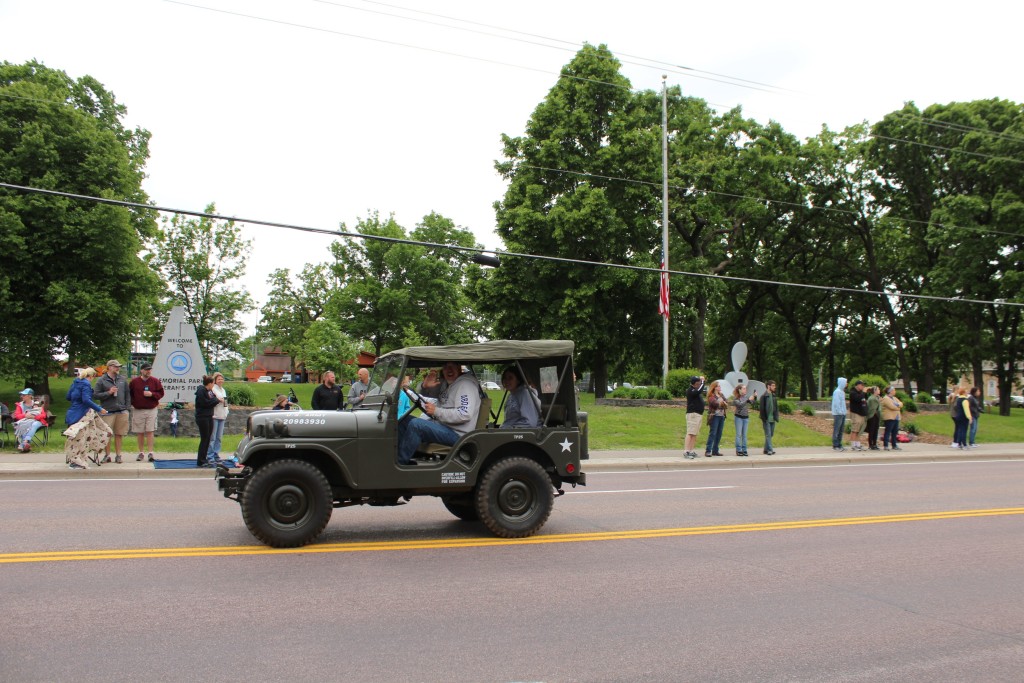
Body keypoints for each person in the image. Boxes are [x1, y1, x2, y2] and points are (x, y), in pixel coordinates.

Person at [397, 361, 481, 466]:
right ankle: (395, 458)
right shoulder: (448, 384)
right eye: (445, 366)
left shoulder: (465, 385)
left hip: (459, 434)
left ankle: (399, 464)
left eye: (452, 366)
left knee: (417, 424)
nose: (449, 370)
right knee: (403, 420)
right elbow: (437, 402)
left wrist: (437, 411)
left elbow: (465, 413)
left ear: (459, 367)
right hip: (444, 427)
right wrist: (423, 387)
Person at [63, 367, 110, 469]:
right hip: (82, 414)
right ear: (91, 376)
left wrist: (76, 399)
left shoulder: (75, 382)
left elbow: (68, 397)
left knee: (76, 438)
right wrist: (99, 409)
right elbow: (86, 400)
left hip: (73, 413)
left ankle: (76, 459)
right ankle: (77, 461)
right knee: (83, 438)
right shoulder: (86, 384)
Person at [93, 359, 130, 463]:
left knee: (119, 434)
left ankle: (118, 455)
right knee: (107, 434)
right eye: (115, 366)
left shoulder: (122, 379)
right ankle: (107, 455)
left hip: (121, 411)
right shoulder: (101, 380)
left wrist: (127, 408)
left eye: (118, 366)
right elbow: (95, 395)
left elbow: (127, 394)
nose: (117, 368)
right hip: (108, 411)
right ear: (109, 367)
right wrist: (109, 392)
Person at [128, 361, 164, 462]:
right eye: (147, 370)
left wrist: (152, 394)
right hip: (138, 409)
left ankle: (151, 452)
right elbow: (129, 394)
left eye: (150, 370)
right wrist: (132, 403)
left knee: (150, 431)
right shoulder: (134, 382)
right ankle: (141, 452)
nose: (148, 371)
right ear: (142, 371)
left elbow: (161, 393)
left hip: (151, 409)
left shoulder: (155, 381)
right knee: (140, 432)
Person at [194, 375, 221, 467]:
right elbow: (206, 403)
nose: (213, 385)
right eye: (213, 383)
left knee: (208, 438)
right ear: (209, 383)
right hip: (202, 417)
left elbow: (213, 398)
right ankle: (200, 460)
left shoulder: (209, 391)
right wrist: (216, 401)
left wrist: (215, 400)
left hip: (209, 416)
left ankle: (204, 458)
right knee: (204, 438)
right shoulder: (201, 391)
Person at [207, 372, 229, 464]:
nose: (221, 381)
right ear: (215, 380)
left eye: (222, 379)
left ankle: (216, 454)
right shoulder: (213, 390)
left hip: (222, 416)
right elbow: (212, 400)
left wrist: (227, 411)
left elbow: (226, 402)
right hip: (215, 415)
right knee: (212, 437)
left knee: (219, 437)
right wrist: (219, 400)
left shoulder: (223, 390)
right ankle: (210, 456)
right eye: (219, 379)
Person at [732, 384, 757, 457]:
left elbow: (753, 403)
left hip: (746, 417)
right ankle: (739, 449)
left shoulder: (746, 397)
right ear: (739, 390)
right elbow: (740, 405)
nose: (745, 390)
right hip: (738, 417)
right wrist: (748, 400)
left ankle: (744, 449)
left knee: (744, 435)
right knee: (738, 435)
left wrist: (755, 397)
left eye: (745, 389)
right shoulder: (736, 398)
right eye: (743, 388)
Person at [703, 380, 727, 457]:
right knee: (713, 433)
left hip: (721, 416)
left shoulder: (722, 395)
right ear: (715, 387)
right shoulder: (711, 396)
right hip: (714, 416)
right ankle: (708, 450)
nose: (720, 387)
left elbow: (726, 403)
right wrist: (722, 403)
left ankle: (715, 450)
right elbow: (714, 403)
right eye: (718, 386)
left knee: (719, 434)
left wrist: (723, 403)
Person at [759, 380, 779, 455]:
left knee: (771, 434)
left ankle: (765, 449)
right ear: (768, 386)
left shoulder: (773, 396)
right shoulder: (763, 396)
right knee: (768, 434)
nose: (774, 387)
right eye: (773, 385)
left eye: (774, 385)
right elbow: (761, 409)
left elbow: (776, 407)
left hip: (773, 418)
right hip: (766, 419)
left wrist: (776, 416)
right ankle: (770, 450)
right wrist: (764, 418)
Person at [880, 386, 903, 451]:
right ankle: (886, 445)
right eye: (894, 390)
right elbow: (892, 407)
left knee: (895, 432)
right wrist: (898, 406)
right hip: (889, 418)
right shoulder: (886, 398)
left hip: (896, 417)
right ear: (890, 391)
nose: (895, 391)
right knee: (888, 431)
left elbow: (901, 403)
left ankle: (894, 445)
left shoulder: (894, 398)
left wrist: (898, 405)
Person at [848, 379, 867, 451]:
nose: (863, 386)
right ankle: (853, 445)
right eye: (862, 385)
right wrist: (863, 393)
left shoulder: (861, 393)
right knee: (855, 429)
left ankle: (858, 444)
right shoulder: (853, 392)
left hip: (861, 413)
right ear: (858, 385)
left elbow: (864, 400)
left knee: (859, 430)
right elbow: (857, 399)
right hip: (856, 413)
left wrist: (865, 393)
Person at [831, 377, 848, 452]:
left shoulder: (842, 392)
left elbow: (843, 403)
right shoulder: (837, 392)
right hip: (838, 414)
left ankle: (839, 443)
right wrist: (840, 411)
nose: (846, 384)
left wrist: (844, 411)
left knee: (841, 430)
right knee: (837, 429)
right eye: (845, 382)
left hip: (843, 413)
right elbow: (836, 403)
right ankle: (835, 444)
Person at [865, 386, 881, 451]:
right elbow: (873, 408)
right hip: (872, 416)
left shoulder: (877, 398)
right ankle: (871, 444)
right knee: (872, 431)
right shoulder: (872, 398)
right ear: (875, 391)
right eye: (878, 389)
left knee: (875, 430)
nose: (879, 390)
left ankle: (874, 444)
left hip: (876, 416)